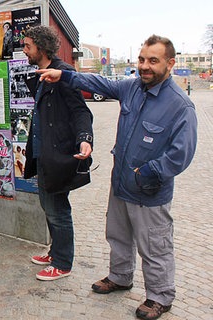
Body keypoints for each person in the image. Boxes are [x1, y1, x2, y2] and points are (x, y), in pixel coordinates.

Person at [37, 34, 197, 320]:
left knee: (155, 247)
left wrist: (146, 174)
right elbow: (99, 83)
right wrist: (64, 75)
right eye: (142, 59)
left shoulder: (180, 106)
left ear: (170, 63)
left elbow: (180, 155)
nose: (145, 66)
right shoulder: (133, 87)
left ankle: (160, 297)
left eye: (153, 61)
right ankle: (120, 277)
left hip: (149, 192)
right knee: (118, 236)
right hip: (120, 184)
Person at [21, 26, 94, 281]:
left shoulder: (64, 74)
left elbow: (81, 111)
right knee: (47, 204)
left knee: (57, 209)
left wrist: (85, 139)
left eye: (28, 46)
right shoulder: (41, 73)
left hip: (58, 154)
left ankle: (62, 263)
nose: (24, 50)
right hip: (43, 154)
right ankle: (55, 251)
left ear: (41, 48)